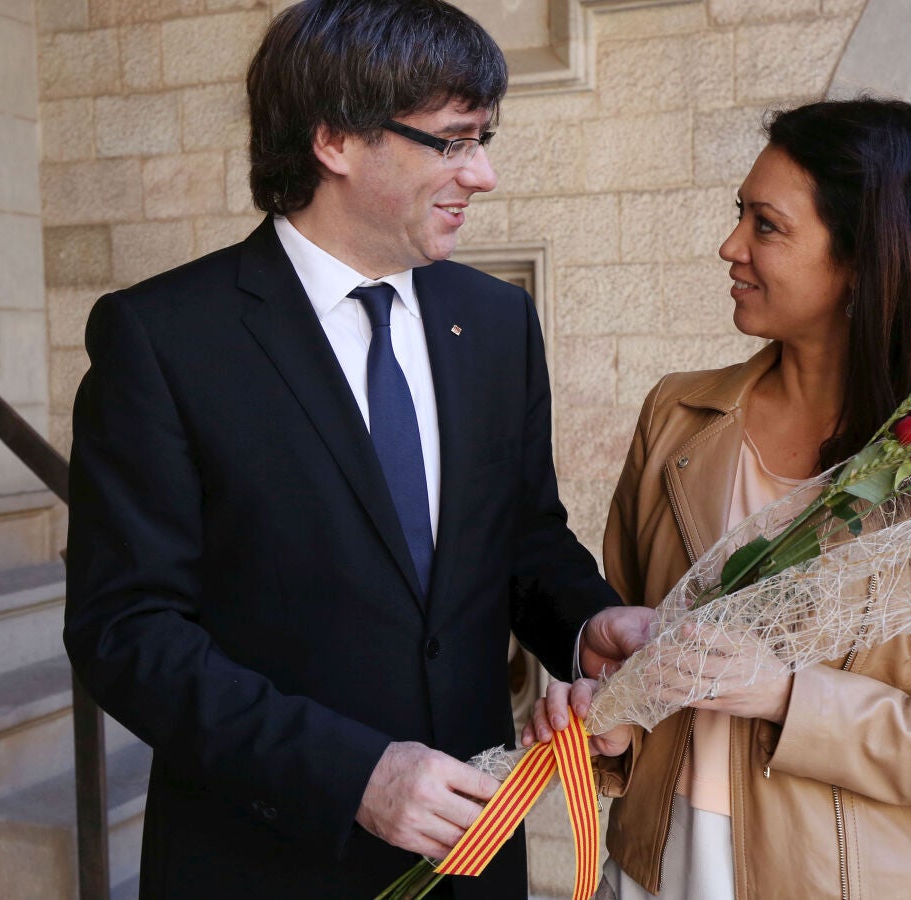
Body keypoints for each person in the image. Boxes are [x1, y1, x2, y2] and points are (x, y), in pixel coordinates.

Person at [63, 1, 652, 897]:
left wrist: (583, 625)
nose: (483, 175)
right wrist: (352, 776)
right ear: (335, 139)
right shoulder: (162, 337)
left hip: (472, 856)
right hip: (261, 866)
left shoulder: (497, 321)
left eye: (483, 140)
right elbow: (126, 633)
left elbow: (522, 537)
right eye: (452, 142)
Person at [523, 98, 911, 899]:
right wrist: (608, 723)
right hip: (648, 874)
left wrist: (788, 696)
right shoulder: (677, 418)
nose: (730, 246)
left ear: (867, 259)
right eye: (739, 213)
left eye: (766, 226)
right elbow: (639, 662)